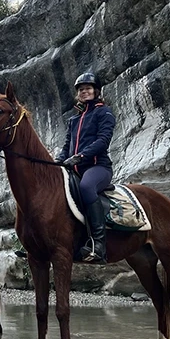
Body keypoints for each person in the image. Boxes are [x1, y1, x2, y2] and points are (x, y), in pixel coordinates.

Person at [55, 72, 116, 263]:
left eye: (88, 88)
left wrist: (80, 156)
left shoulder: (104, 112)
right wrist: (59, 160)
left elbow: (103, 141)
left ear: (96, 91)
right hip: (75, 169)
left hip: (98, 167)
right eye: (81, 89)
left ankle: (99, 245)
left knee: (86, 187)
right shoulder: (74, 119)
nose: (84, 92)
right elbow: (67, 146)